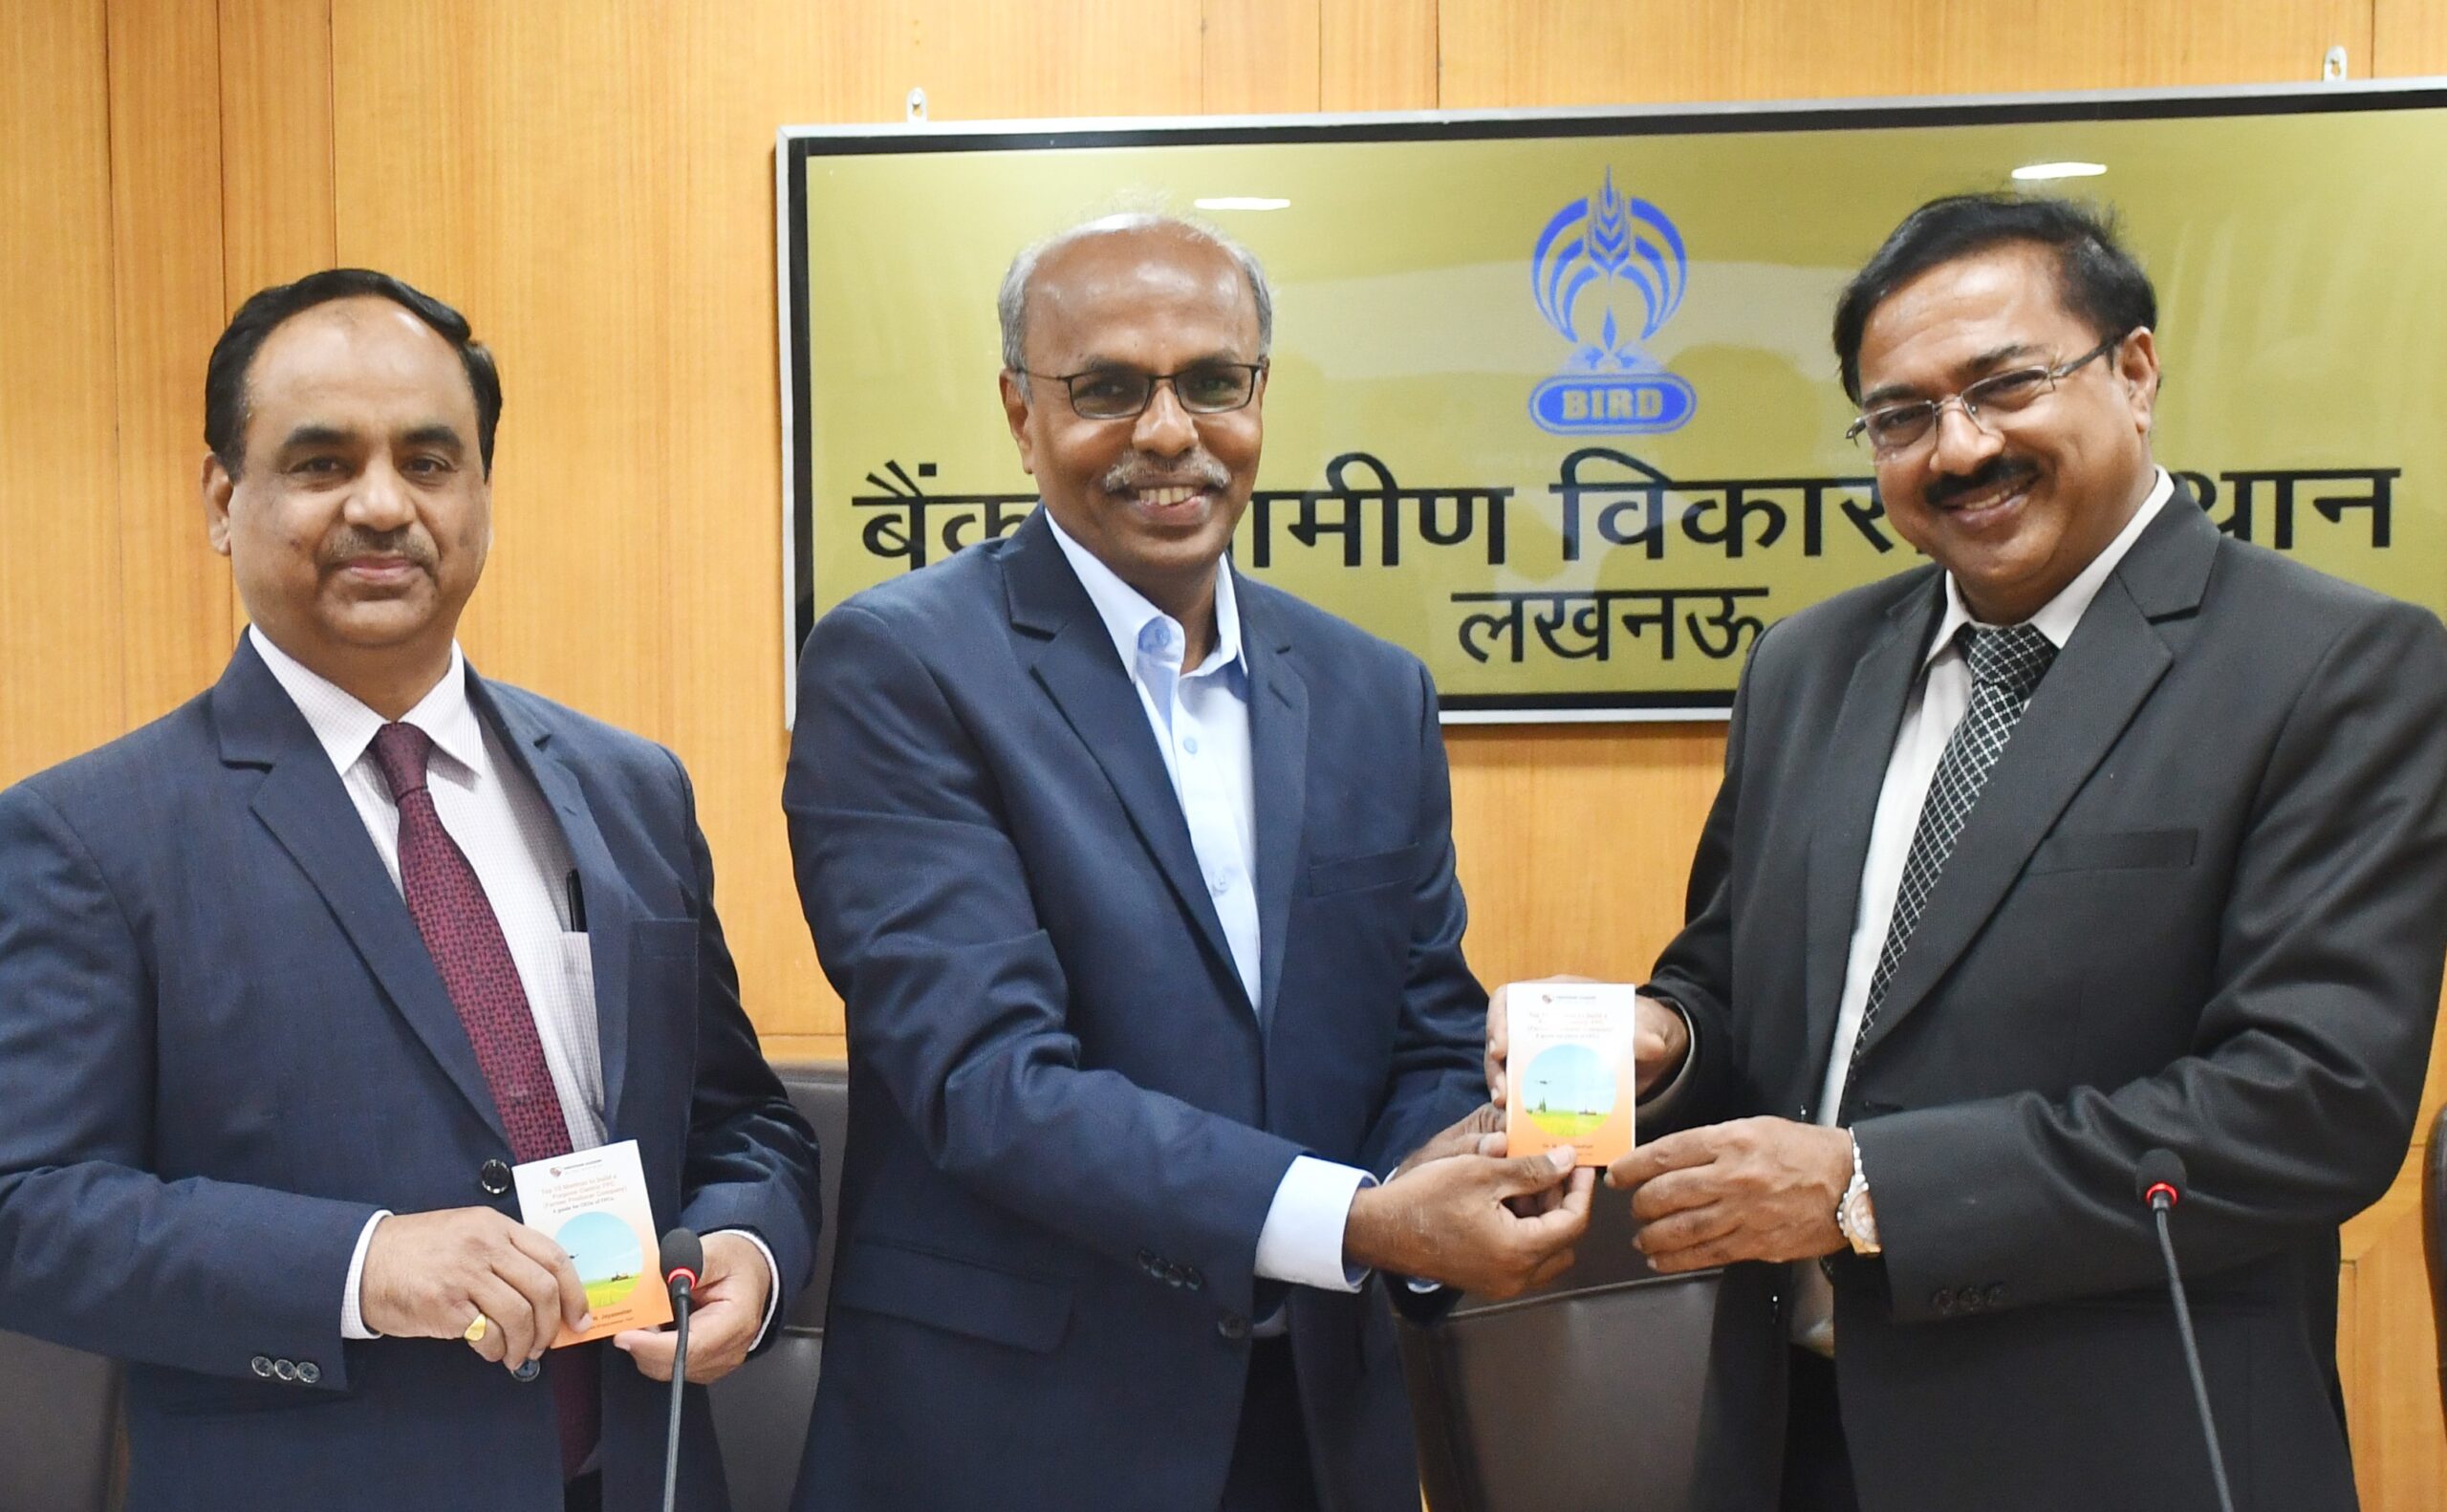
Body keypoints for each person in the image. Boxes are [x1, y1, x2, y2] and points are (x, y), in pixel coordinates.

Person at [1561, 195, 2447, 1509]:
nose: (1960, 448)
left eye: (2004, 386)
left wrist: (1871, 1190)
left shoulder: (2334, 667)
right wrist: (1664, 1039)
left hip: (2120, 1457)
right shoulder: (1810, 666)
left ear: (2133, 373)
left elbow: (2309, 1104)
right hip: (1788, 1443)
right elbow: (1734, 982)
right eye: (1901, 416)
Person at [783, 213, 1594, 1512]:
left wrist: (1445, 1198)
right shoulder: (901, 666)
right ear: (1019, 409)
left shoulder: (1372, 688)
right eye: (1108, 387)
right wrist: (1357, 1220)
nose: (1171, 431)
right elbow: (985, 1079)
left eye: (1215, 381)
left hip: (1318, 1431)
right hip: (1012, 1440)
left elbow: (1425, 1026)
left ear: (1260, 393)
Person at [0, 270, 822, 1512]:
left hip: (639, 1477)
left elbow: (742, 1121)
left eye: (430, 461)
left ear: (481, 493)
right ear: (223, 498)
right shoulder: (88, 834)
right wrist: (362, 1263)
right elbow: (28, 1211)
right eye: (323, 462)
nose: (383, 504)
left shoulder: (629, 785)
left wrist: (747, 1252)